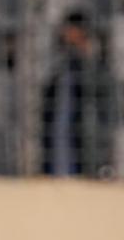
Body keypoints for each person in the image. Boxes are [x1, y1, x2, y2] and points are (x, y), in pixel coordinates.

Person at [42, 11, 117, 177]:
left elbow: (105, 101)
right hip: (61, 147)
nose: (67, 35)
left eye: (71, 30)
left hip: (88, 141)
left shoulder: (97, 67)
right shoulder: (61, 68)